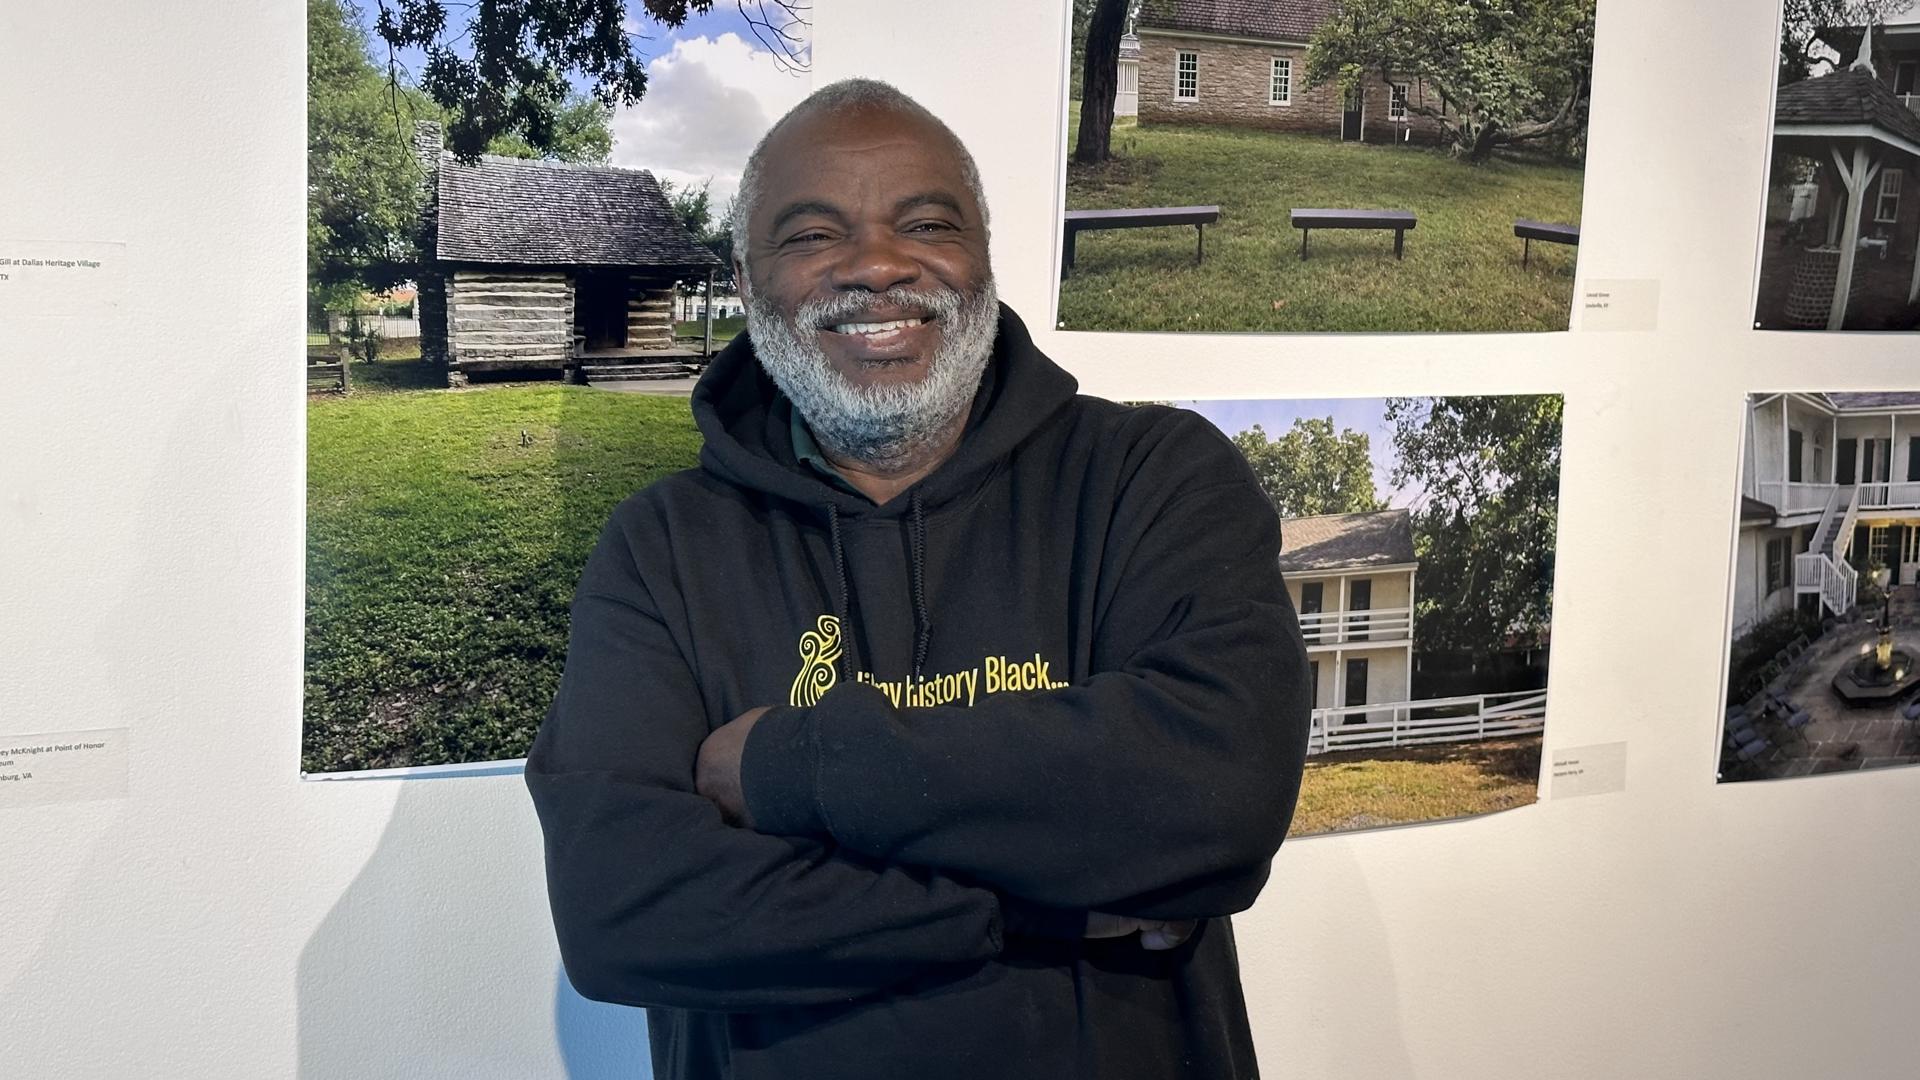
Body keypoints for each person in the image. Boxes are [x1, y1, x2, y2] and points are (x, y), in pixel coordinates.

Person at [525, 78, 1310, 1080]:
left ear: (983, 253)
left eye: (928, 222)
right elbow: (623, 911)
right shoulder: (661, 548)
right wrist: (1048, 900)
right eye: (813, 235)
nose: (878, 266)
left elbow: (1219, 796)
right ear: (745, 274)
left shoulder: (1152, 478)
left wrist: (781, 767)